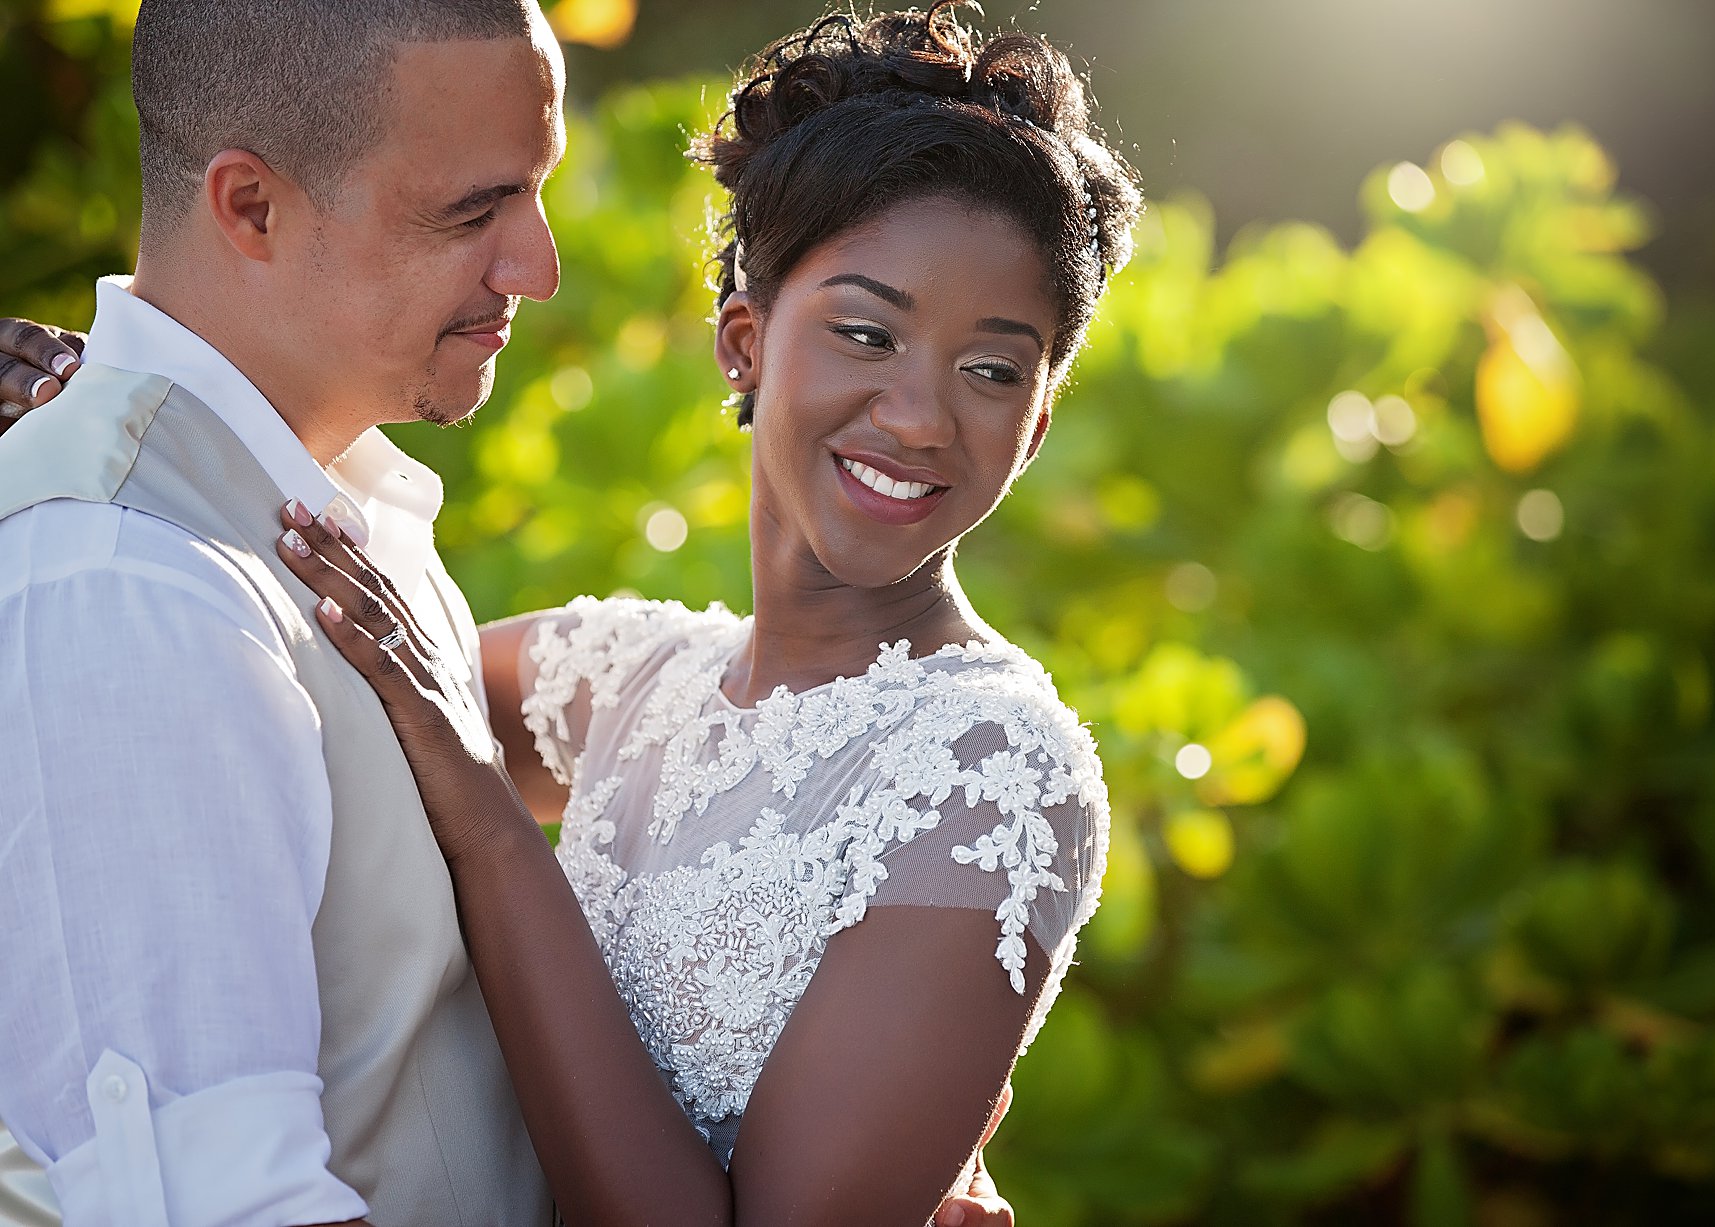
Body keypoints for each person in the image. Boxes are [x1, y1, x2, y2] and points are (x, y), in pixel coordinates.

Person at [0, 2, 1016, 1224]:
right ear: (250, 207)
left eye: (535, 193)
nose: (535, 266)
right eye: (471, 211)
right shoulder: (127, 589)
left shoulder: (337, 526)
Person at [258, 5, 1139, 1224]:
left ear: (1035, 423)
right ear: (745, 341)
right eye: (866, 332)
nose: (924, 416)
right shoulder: (626, 675)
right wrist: (126, 413)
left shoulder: (990, 770)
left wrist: (498, 836)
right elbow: (298, 658)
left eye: (993, 369)